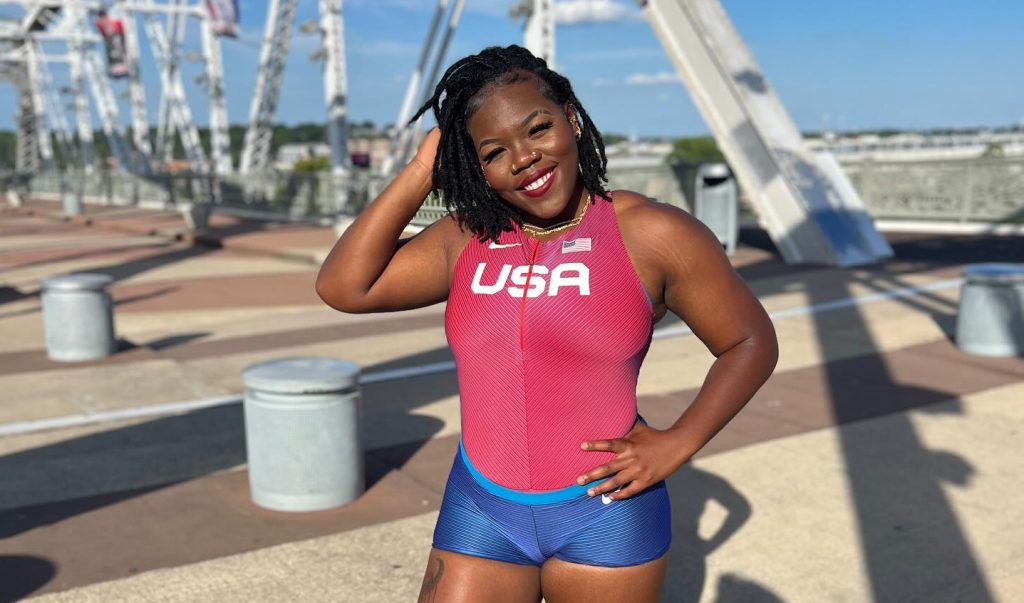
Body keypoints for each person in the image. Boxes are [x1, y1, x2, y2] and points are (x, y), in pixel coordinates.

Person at [316, 44, 778, 603]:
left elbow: (749, 341)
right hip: (482, 506)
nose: (523, 158)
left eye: (538, 129)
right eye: (493, 152)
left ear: (571, 119)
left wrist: (678, 443)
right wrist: (420, 171)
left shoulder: (651, 233)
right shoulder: (467, 237)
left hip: (605, 512)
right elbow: (345, 287)